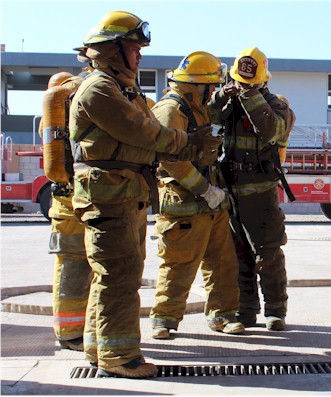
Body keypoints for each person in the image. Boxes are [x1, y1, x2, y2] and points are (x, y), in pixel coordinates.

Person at [69, 11, 220, 378]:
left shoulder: (124, 90)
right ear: (112, 50)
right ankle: (119, 358)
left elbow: (150, 132)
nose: (139, 56)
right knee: (118, 275)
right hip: (109, 196)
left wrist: (187, 144)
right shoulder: (99, 89)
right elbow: (146, 134)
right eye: (134, 48)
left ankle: (98, 346)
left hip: (125, 194)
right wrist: (192, 142)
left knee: (116, 273)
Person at [149, 51, 244, 339]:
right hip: (185, 201)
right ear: (197, 86)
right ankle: (164, 319)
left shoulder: (196, 106)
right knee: (179, 262)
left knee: (222, 261)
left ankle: (223, 316)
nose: (213, 91)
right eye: (211, 86)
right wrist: (205, 190)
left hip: (211, 200)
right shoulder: (170, 111)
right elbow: (171, 160)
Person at [208, 47, 295, 331]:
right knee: (237, 255)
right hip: (230, 192)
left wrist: (249, 95)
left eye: (248, 83)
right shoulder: (229, 104)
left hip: (261, 195)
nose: (241, 87)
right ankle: (246, 310)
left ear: (262, 82)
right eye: (239, 82)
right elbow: (205, 117)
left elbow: (270, 129)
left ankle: (275, 311)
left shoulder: (278, 105)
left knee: (267, 253)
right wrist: (222, 95)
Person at [40, 71, 91, 352]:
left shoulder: (55, 111)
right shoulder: (84, 97)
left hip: (64, 200)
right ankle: (70, 331)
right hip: (81, 197)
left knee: (71, 267)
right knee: (76, 267)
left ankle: (71, 330)